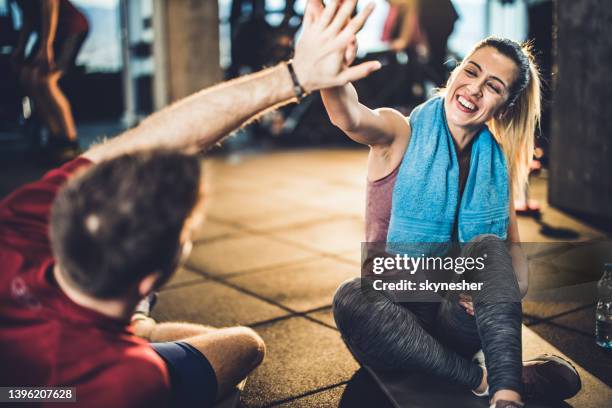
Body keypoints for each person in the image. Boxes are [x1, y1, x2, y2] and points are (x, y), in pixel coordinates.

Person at [0, 1, 381, 407]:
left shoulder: (14, 226)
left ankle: (135, 323)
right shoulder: (125, 376)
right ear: (150, 282)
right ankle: (139, 325)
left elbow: (159, 138)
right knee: (245, 345)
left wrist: (296, 76)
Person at [323, 37, 582, 408]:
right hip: (393, 317)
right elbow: (347, 115)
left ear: (505, 106)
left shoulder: (495, 165)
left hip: (454, 321)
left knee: (489, 251)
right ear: (456, 71)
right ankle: (483, 377)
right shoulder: (400, 133)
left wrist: (499, 290)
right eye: (471, 71)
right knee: (351, 297)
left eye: (493, 86)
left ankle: (507, 397)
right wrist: (330, 73)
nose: (474, 89)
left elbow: (513, 259)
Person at [10, 0, 89, 160]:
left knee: (46, 81)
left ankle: (71, 142)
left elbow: (50, 3)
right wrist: (21, 47)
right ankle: (56, 138)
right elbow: (28, 17)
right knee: (28, 78)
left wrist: (47, 45)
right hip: (49, 32)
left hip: (70, 29)